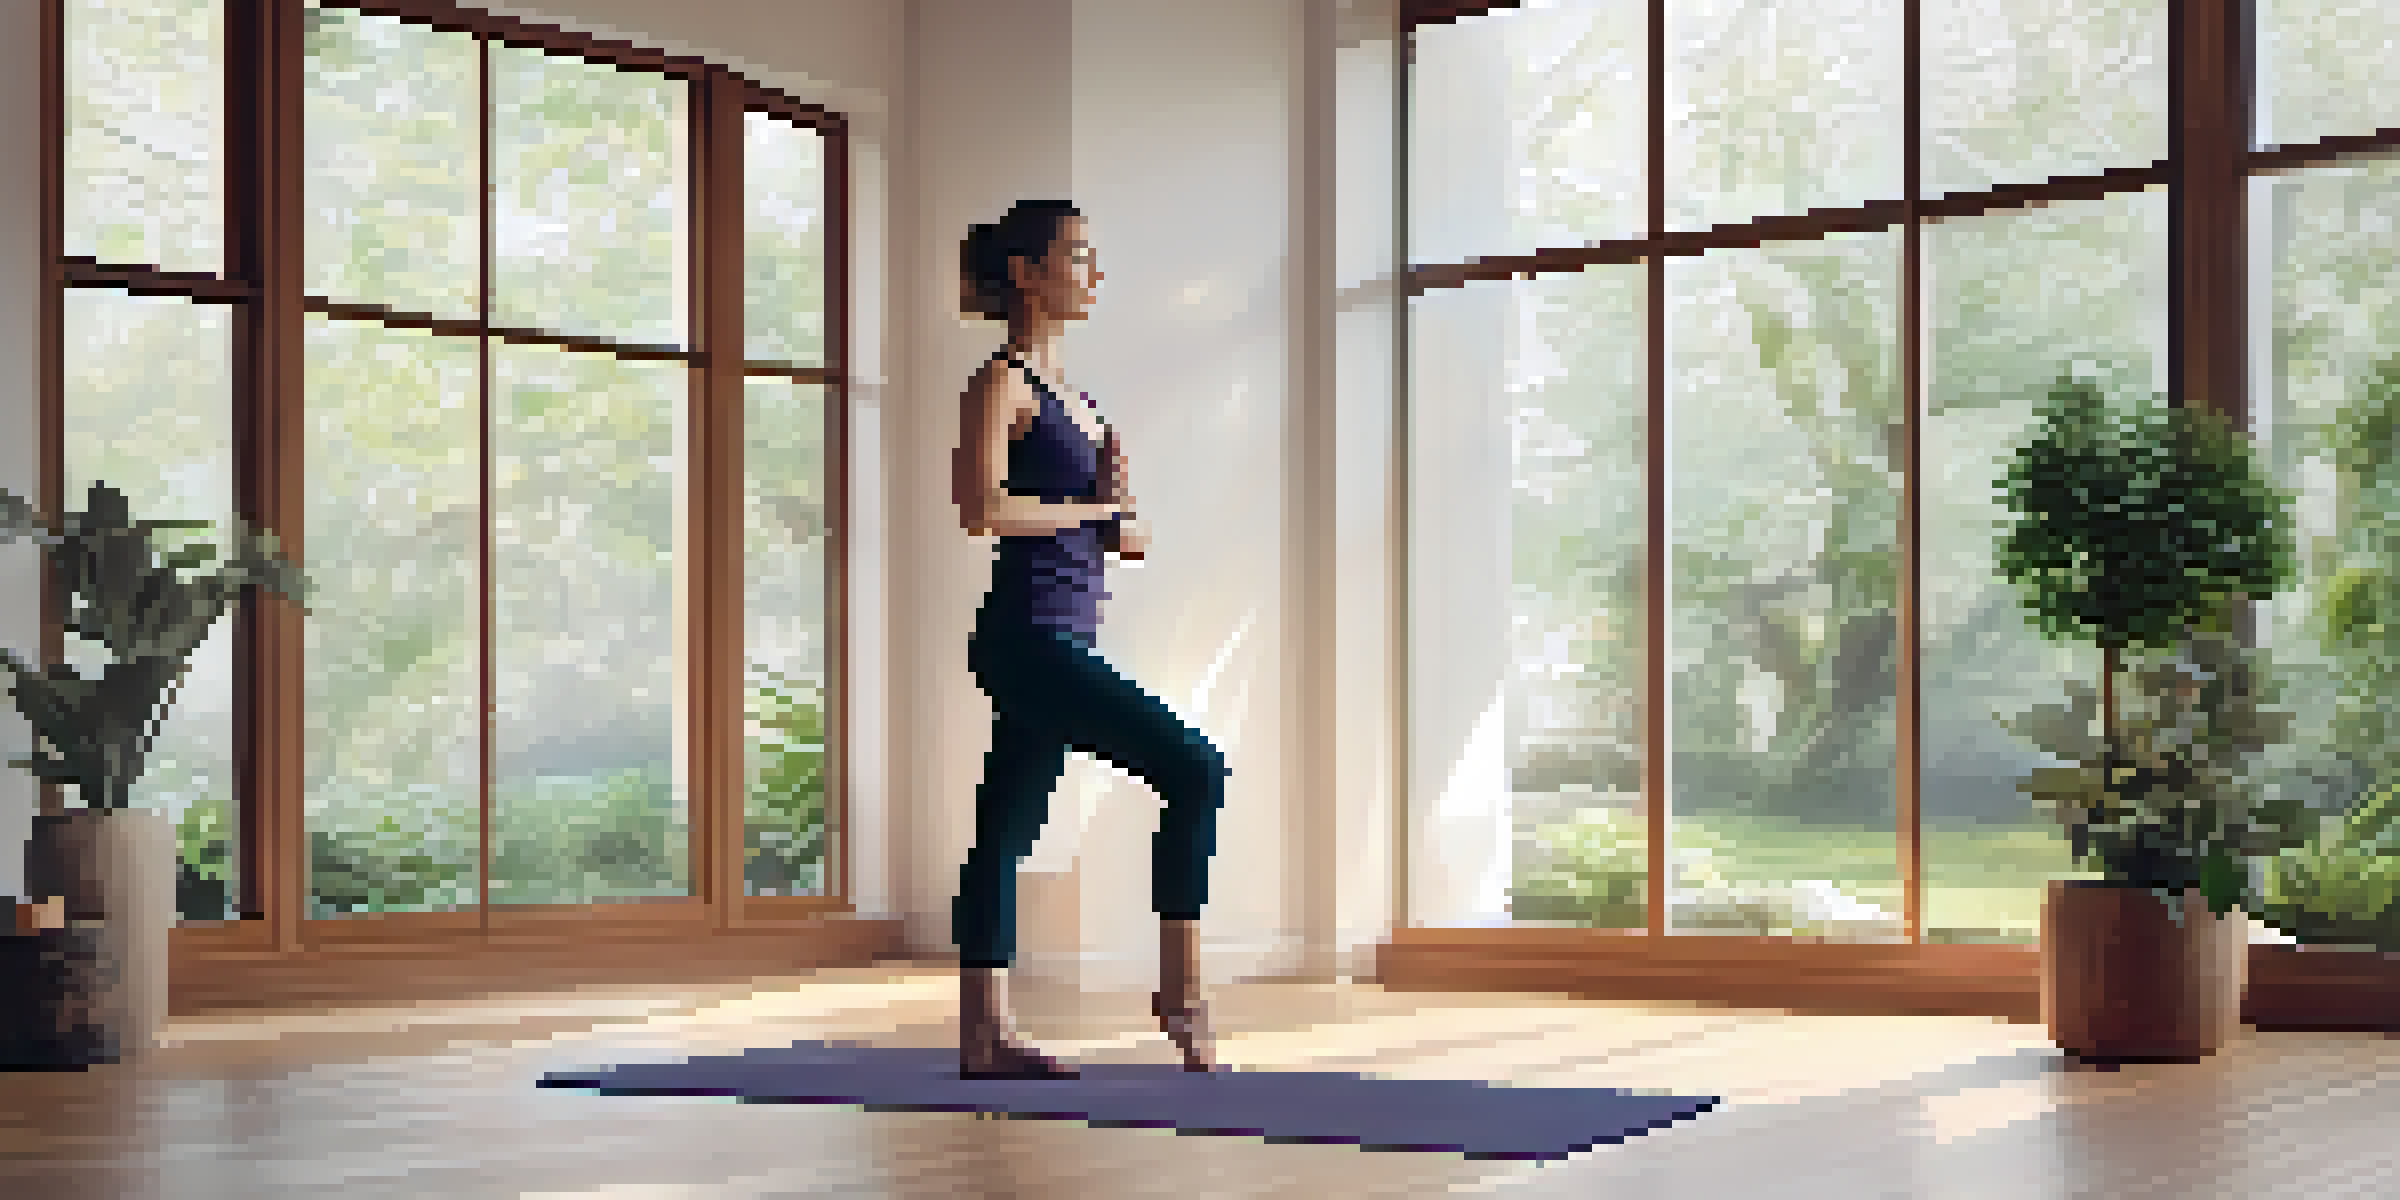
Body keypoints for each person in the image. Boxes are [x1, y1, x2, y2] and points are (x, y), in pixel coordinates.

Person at [949, 200, 1230, 1079]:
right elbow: (981, 508)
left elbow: (1113, 528)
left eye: (1092, 256)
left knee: (1007, 827)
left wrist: (1120, 524)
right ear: (1028, 273)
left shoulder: (1085, 402)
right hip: (1025, 636)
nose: (1092, 271)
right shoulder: (1002, 383)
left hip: (1067, 625)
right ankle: (1182, 995)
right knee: (1194, 766)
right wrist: (1093, 511)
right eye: (1075, 256)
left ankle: (985, 1035)